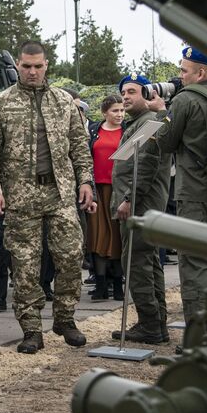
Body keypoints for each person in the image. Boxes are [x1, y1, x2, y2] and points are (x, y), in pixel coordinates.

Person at [0, 40, 95, 354]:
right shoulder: (0, 103)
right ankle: (31, 329)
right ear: (18, 65)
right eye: (26, 66)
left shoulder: (63, 102)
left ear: (46, 66)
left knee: (71, 257)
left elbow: (79, 147)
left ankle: (65, 319)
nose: (31, 71)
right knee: (26, 266)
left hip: (60, 193)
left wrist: (86, 182)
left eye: (37, 66)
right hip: (20, 196)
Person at [153, 45, 207, 326]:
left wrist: (161, 111)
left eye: (183, 70)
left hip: (194, 192)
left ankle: (201, 336)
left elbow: (165, 142)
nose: (179, 76)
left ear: (201, 73)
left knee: (195, 263)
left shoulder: (185, 100)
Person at [109, 74, 171, 344]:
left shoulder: (149, 123)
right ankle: (156, 323)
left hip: (140, 205)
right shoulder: (141, 122)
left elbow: (144, 166)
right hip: (140, 202)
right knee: (146, 262)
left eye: (132, 91)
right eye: (124, 92)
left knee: (136, 264)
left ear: (146, 95)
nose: (125, 97)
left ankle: (150, 324)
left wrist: (128, 198)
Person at [85, 95, 124, 300]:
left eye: (121, 110)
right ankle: (100, 285)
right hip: (97, 190)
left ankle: (118, 285)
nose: (119, 114)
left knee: (116, 236)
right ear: (104, 113)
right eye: (115, 111)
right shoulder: (94, 131)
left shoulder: (127, 131)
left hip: (117, 190)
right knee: (97, 236)